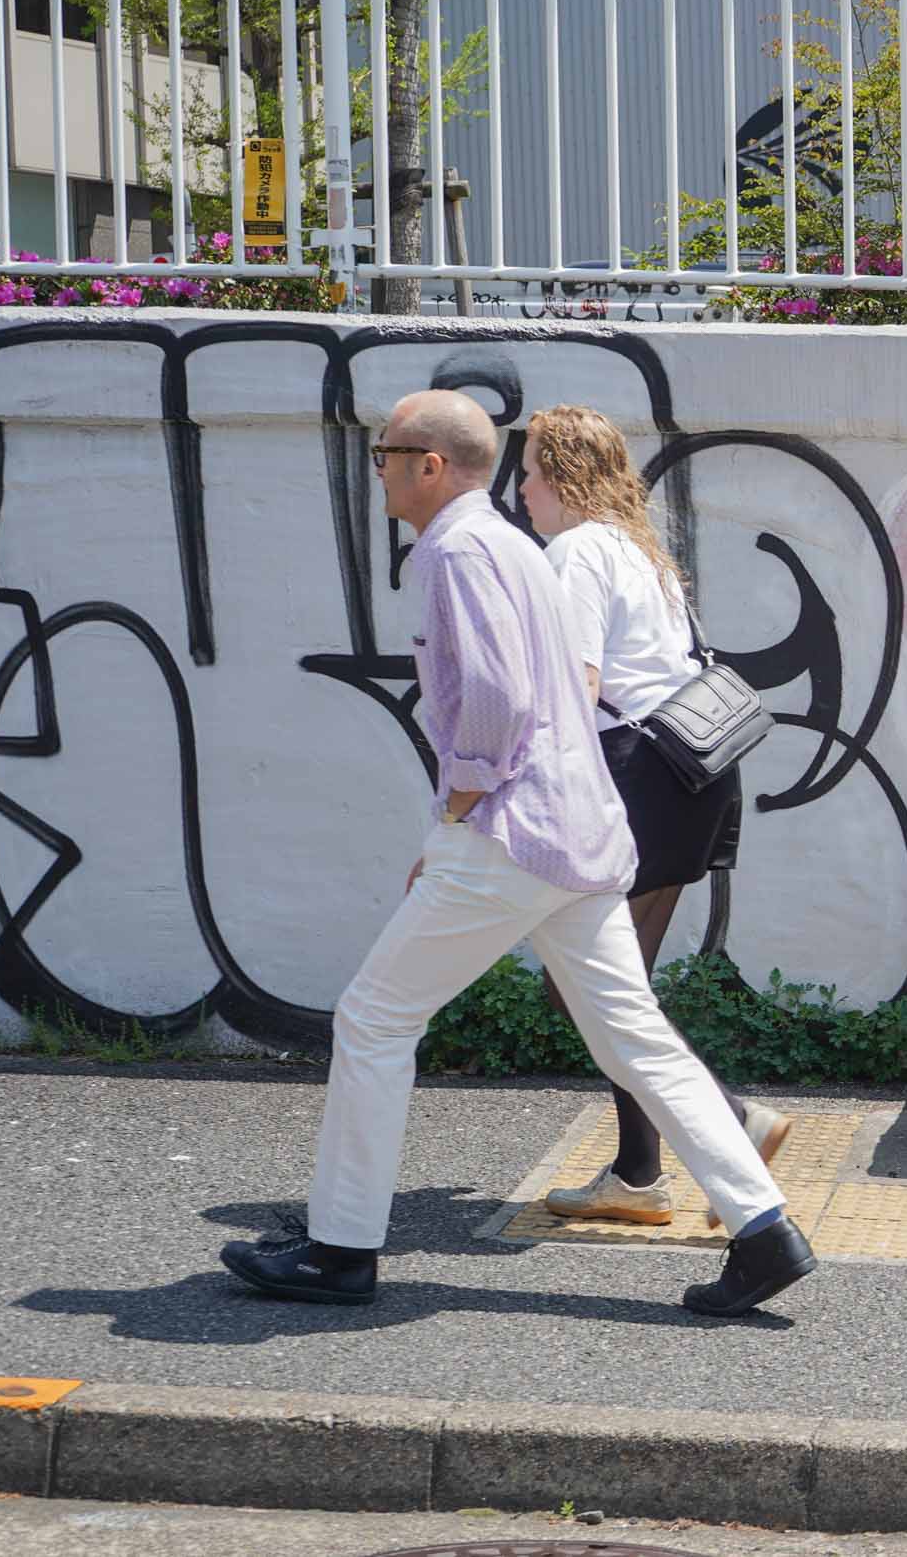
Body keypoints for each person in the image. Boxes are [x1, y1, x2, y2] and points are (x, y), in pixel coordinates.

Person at [218, 389, 817, 1316]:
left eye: (385, 454)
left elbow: (497, 706)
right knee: (635, 1034)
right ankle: (764, 1230)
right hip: (583, 831)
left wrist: (451, 819)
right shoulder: (513, 545)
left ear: (429, 465)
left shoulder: (458, 550)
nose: (376, 470)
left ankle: (340, 1250)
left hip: (513, 833)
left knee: (374, 1018)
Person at [517, 402, 789, 1228]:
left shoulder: (575, 552)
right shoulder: (642, 554)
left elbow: (577, 686)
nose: (520, 490)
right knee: (612, 983)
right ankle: (638, 1175)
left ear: (562, 474)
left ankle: (733, 1124)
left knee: (590, 986)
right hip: (692, 778)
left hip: (634, 783)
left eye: (528, 471)